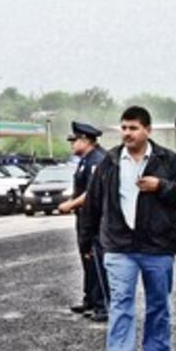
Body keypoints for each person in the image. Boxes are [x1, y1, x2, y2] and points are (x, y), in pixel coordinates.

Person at [80, 106, 176, 351]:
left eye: (133, 128)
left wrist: (161, 186)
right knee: (121, 301)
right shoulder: (109, 162)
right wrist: (86, 241)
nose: (127, 133)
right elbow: (92, 203)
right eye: (124, 128)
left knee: (158, 304)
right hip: (119, 245)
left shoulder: (167, 160)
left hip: (158, 246)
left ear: (148, 130)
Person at [58, 121, 108, 322]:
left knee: (97, 261)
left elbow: (92, 193)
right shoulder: (85, 160)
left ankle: (102, 305)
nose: (72, 144)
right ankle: (91, 299)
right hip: (85, 218)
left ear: (86, 140)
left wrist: (70, 204)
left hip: (96, 220)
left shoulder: (97, 160)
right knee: (88, 259)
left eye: (75, 140)